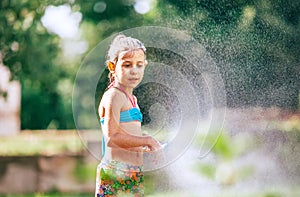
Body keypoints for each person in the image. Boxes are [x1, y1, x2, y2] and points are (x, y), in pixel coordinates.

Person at [95, 34, 161, 197]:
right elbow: (112, 137)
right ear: (112, 66)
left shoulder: (132, 98)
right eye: (127, 65)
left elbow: (127, 134)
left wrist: (144, 143)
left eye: (139, 65)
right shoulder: (114, 96)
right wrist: (147, 141)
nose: (134, 71)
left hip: (132, 172)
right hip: (116, 173)